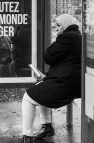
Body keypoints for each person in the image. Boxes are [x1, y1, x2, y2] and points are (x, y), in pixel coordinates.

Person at [20, 14, 81, 142]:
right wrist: (47, 76)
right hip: (73, 82)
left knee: (27, 98)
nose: (57, 28)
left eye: (59, 26)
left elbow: (48, 57)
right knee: (40, 88)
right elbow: (65, 62)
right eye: (56, 26)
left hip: (66, 84)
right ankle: (47, 125)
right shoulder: (76, 36)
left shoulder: (66, 37)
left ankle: (27, 136)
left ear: (66, 24)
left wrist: (56, 39)